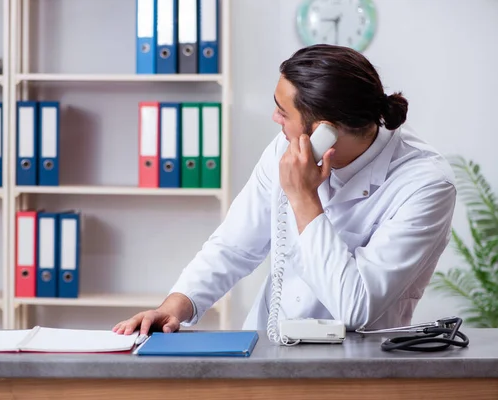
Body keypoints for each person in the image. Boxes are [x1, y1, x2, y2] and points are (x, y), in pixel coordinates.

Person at [113, 44, 457, 339]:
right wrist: (176, 306)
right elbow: (234, 245)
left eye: (283, 111)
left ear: (325, 131)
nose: (275, 118)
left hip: (358, 365)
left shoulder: (425, 184)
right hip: (273, 347)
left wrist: (304, 198)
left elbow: (357, 306)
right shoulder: (287, 147)